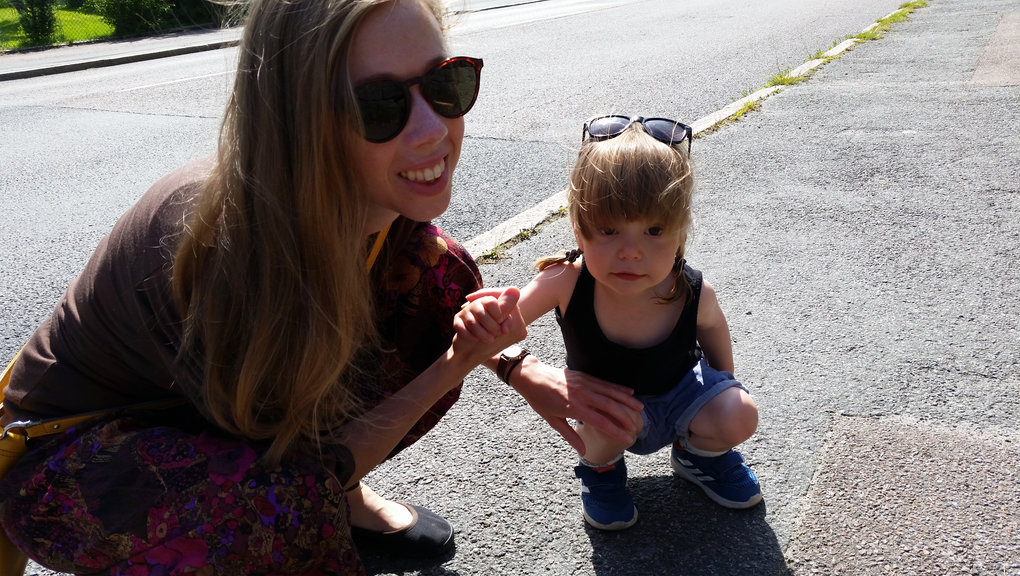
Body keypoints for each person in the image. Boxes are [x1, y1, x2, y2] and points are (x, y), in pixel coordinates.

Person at [0, 0, 645, 573]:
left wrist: (523, 369)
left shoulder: (366, 204)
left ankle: (342, 497)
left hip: (217, 406)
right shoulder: (233, 247)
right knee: (281, 513)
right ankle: (331, 501)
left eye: (446, 85)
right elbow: (297, 470)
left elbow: (457, 309)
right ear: (297, 122)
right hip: (76, 456)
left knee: (443, 277)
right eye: (379, 105)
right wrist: (458, 364)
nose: (432, 131)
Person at [457, 115, 762, 531]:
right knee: (605, 425)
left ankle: (698, 455)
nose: (631, 251)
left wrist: (724, 382)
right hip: (606, 405)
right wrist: (485, 318)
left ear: (680, 232)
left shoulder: (691, 289)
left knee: (738, 412)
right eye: (608, 230)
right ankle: (600, 473)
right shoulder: (565, 281)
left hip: (682, 395)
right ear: (579, 230)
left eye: (654, 230)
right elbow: (497, 329)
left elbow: (713, 329)